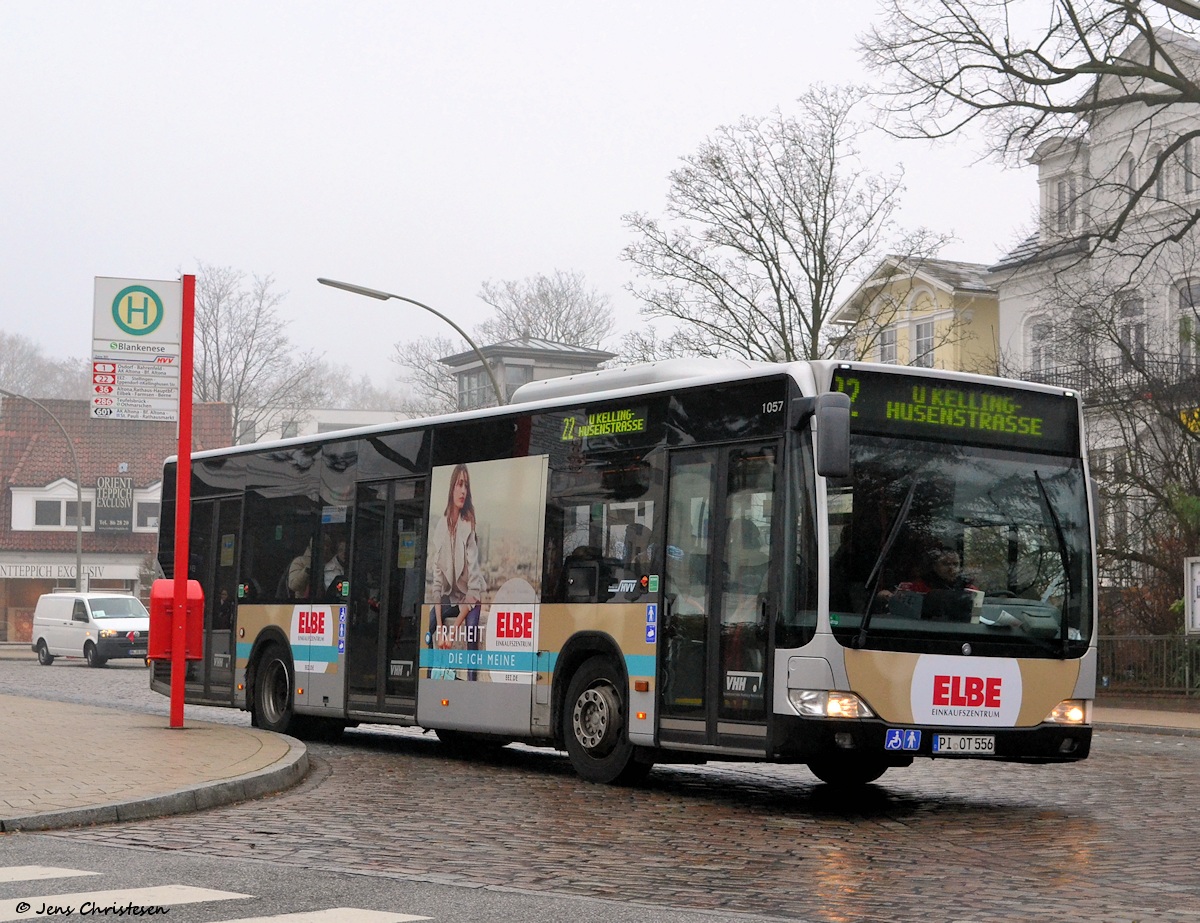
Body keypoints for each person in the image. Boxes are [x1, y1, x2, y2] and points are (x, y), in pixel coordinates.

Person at [427, 464, 486, 679]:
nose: (463, 491)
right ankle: (431, 675)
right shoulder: (441, 527)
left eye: (466, 486)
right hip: (451, 599)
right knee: (432, 621)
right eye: (460, 484)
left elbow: (473, 589)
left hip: (470, 601)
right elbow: (437, 584)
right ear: (452, 488)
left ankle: (471, 681)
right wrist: (442, 627)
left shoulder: (468, 526)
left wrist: (452, 632)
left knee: (471, 632)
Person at [881, 542, 977, 621]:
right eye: (945, 564)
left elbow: (976, 614)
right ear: (934, 566)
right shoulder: (918, 587)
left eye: (955, 564)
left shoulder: (969, 590)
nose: (951, 569)